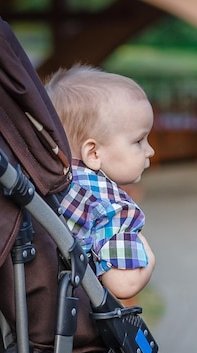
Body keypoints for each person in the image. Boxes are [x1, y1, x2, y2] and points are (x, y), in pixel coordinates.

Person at [45, 64, 156, 301]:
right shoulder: (112, 207)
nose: (150, 151)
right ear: (93, 153)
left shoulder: (47, 179)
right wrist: (148, 258)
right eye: (139, 141)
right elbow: (123, 284)